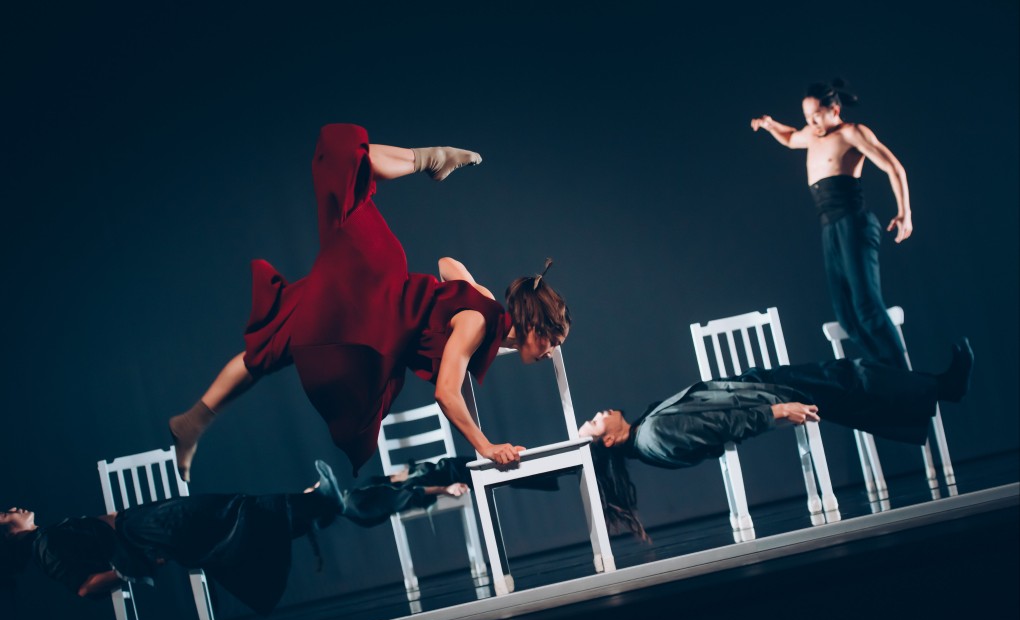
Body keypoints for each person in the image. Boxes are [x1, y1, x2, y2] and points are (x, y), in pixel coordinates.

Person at [169, 124, 571, 481]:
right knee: (348, 169)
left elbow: (448, 266)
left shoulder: (483, 309)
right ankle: (432, 158)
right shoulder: (479, 323)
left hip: (366, 317)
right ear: (534, 326)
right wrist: (485, 445)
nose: (552, 349)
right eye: (553, 340)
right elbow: (447, 392)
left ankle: (194, 421)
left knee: (279, 337)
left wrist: (454, 295)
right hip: (375, 291)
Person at [578, 340, 974, 540]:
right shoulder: (653, 435)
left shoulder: (647, 431)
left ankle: (926, 402)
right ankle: (942, 387)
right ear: (609, 442)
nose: (598, 414)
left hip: (760, 389)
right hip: (768, 397)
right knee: (850, 377)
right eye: (594, 423)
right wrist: (777, 411)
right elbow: (719, 426)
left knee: (848, 397)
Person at [0, 461, 345, 614]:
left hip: (141, 525)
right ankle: (314, 504)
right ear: (7, 533)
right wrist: (135, 567)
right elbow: (85, 586)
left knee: (225, 523)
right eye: (3, 514)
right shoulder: (44, 547)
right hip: (143, 533)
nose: (11, 507)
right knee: (225, 514)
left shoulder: (44, 541)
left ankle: (313, 509)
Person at [751, 79, 912, 369]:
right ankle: (887, 376)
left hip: (854, 223)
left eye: (816, 114)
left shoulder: (852, 133)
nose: (811, 122)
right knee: (847, 316)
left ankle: (909, 384)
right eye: (806, 117)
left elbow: (894, 167)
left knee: (867, 309)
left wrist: (905, 213)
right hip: (830, 229)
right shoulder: (811, 136)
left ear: (834, 109)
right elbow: (790, 138)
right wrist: (770, 124)